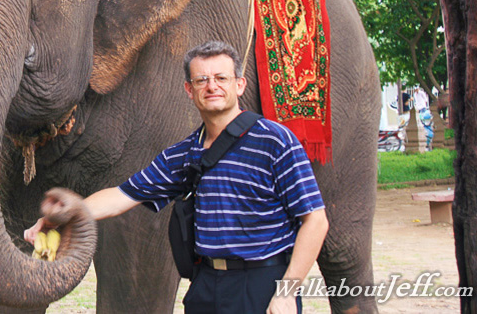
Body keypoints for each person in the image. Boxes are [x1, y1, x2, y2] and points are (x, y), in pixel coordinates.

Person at [25, 41, 329, 314]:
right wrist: (64, 215)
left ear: (239, 85)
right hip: (206, 284)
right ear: (189, 89)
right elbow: (122, 195)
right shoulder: (185, 152)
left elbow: (315, 221)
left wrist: (287, 292)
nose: (212, 86)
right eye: (202, 80)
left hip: (262, 283)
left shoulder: (275, 141)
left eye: (221, 78)